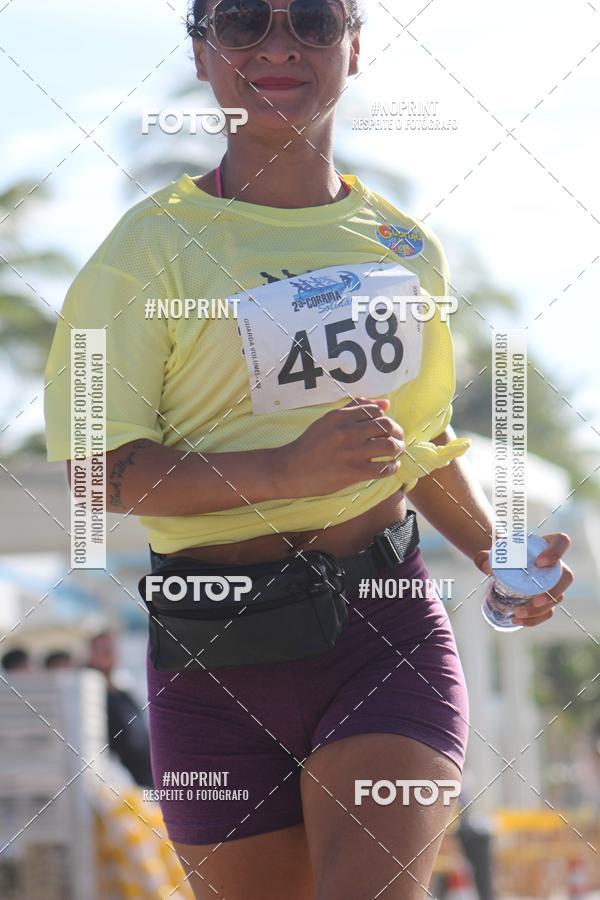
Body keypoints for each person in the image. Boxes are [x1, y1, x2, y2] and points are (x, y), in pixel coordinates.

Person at [44, 1, 574, 896]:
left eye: (315, 21)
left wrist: (497, 554)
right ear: (205, 55)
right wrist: (283, 473)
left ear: (356, 48)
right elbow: (98, 471)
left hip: (381, 626)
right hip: (212, 647)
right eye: (244, 21)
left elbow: (422, 443)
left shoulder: (407, 248)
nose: (280, 45)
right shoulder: (144, 252)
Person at [86, 630, 153, 788]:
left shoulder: (123, 691)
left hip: (144, 782)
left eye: (111, 649)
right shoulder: (90, 694)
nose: (109, 653)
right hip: (119, 784)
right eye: (103, 650)